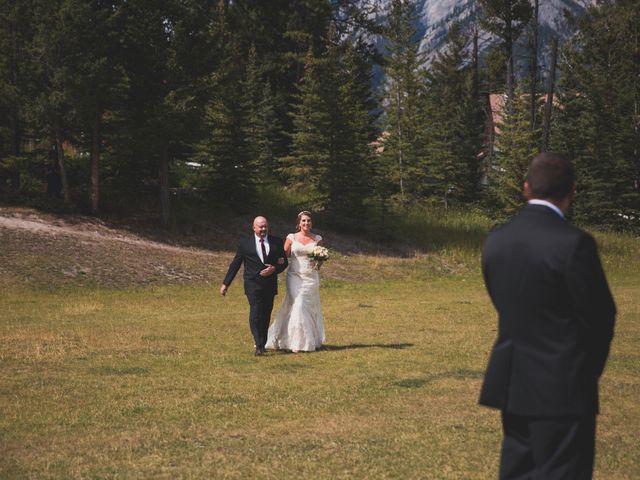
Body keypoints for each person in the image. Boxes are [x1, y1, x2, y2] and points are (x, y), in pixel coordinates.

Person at [479, 152, 616, 479]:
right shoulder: (574, 243)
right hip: (563, 386)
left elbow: (504, 302)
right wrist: (585, 372)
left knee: (518, 470)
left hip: (514, 381)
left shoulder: (496, 240)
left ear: (526, 188)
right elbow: (600, 317)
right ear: (572, 191)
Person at [220, 216, 288, 356]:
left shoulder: (276, 242)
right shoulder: (245, 243)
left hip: (269, 285)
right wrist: (226, 283)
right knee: (256, 312)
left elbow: (284, 263)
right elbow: (236, 264)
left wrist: (274, 268)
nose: (263, 229)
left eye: (265, 226)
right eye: (260, 227)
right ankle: (258, 344)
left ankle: (262, 342)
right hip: (253, 284)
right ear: (254, 228)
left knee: (266, 313)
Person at [265, 211, 325, 353]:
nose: (306, 223)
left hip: (311, 278)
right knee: (298, 304)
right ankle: (295, 342)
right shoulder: (291, 237)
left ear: (312, 223)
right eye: (303, 221)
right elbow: (283, 256)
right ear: (299, 223)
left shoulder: (317, 238)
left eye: (308, 221)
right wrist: (273, 264)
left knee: (308, 308)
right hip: (294, 277)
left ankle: (307, 340)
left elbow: (321, 258)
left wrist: (318, 264)